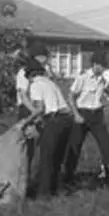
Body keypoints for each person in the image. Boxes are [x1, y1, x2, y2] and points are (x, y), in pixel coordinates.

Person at [63, 51, 109, 186]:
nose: (104, 69)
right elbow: (71, 97)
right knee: (75, 146)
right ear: (95, 64)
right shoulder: (83, 78)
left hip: (97, 115)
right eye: (102, 66)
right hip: (82, 113)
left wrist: (107, 102)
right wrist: (76, 114)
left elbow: (99, 98)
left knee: (106, 145)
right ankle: (68, 177)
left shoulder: (102, 80)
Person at [25, 61, 74, 198]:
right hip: (67, 120)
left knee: (46, 158)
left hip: (54, 121)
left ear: (30, 76)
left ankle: (43, 193)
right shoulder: (50, 83)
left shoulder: (36, 85)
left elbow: (40, 109)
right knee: (57, 158)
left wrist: (29, 123)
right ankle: (57, 189)